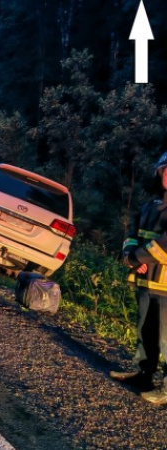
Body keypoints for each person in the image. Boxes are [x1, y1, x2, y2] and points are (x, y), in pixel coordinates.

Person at [111, 151, 167, 404]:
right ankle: (144, 374)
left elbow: (164, 246)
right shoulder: (150, 205)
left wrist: (137, 258)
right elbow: (132, 233)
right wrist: (129, 254)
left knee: (166, 337)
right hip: (146, 283)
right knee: (145, 330)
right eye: (165, 170)